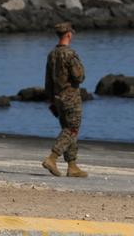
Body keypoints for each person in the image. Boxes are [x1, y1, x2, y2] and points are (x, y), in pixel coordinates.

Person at [42, 22, 88, 178]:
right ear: (68, 34)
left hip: (57, 98)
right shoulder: (70, 54)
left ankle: (72, 166)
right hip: (71, 97)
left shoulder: (52, 54)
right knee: (72, 129)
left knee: (69, 130)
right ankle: (52, 158)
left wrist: (51, 101)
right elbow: (79, 77)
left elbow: (48, 81)